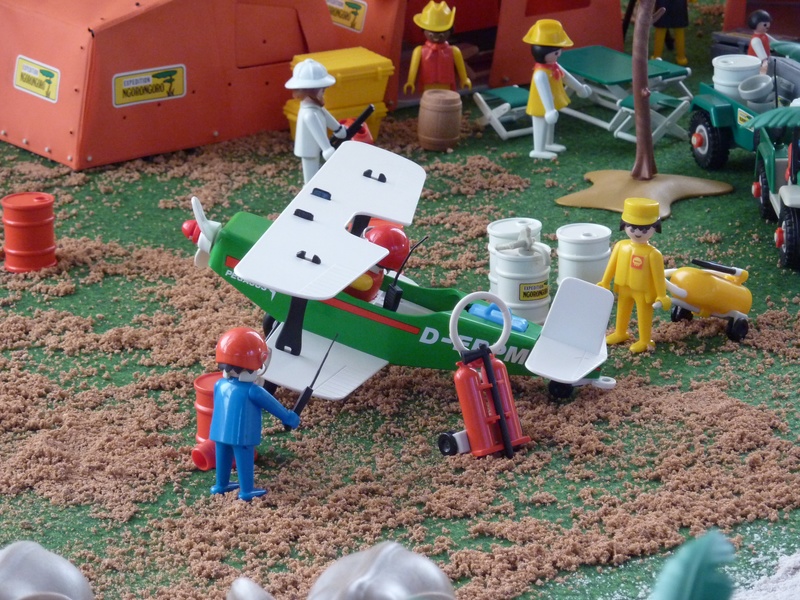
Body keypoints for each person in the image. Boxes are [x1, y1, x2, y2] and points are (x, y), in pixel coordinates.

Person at [209, 327, 299, 501]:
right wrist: (289, 418)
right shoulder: (254, 390)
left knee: (223, 456)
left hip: (219, 432)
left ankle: (221, 485)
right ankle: (246, 490)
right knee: (244, 460)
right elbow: (275, 408)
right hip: (243, 435)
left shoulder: (219, 384)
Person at [598, 198, 671, 354]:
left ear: (655, 228)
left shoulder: (653, 254)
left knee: (643, 314)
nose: (637, 233)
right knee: (622, 310)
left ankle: (645, 340)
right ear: (624, 225)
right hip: (623, 286)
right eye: (632, 227)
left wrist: (661, 295)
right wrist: (605, 281)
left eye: (644, 230)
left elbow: (658, 277)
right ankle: (620, 332)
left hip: (643, 291)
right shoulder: (621, 246)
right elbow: (612, 265)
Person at [523, 20, 592, 160]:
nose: (559, 54)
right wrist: (549, 109)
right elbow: (543, 92)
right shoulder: (540, 74)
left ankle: (548, 143)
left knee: (550, 124)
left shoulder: (554, 67)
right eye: (555, 52)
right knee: (541, 123)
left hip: (551, 102)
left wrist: (579, 88)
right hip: (541, 104)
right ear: (541, 53)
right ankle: (538, 149)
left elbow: (567, 77)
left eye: (559, 50)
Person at [285, 59, 347, 184]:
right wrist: (326, 148)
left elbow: (326, 116)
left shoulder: (315, 108)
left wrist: (337, 128)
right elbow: (317, 131)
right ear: (312, 91)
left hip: (314, 147)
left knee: (315, 174)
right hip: (308, 149)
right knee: (311, 178)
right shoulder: (309, 114)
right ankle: (309, 191)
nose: (323, 93)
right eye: (322, 90)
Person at [404, 1, 471, 95]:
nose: (436, 36)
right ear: (423, 31)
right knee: (429, 102)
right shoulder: (419, 51)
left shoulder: (454, 51)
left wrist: (464, 79)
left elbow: (461, 67)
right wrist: (410, 81)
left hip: (447, 85)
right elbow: (413, 69)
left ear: (450, 31)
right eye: (432, 32)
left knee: (446, 101)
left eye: (441, 32)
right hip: (427, 85)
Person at [651, 0, 691, 66]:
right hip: (679, 5)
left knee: (661, 29)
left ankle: (656, 56)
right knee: (679, 30)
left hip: (662, 5)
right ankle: (681, 58)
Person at [747, 9, 775, 74]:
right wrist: (765, 61)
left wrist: (781, 46)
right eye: (765, 25)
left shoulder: (765, 35)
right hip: (755, 63)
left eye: (768, 23)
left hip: (765, 61)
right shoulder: (756, 40)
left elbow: (775, 43)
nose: (767, 26)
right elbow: (761, 54)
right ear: (755, 24)